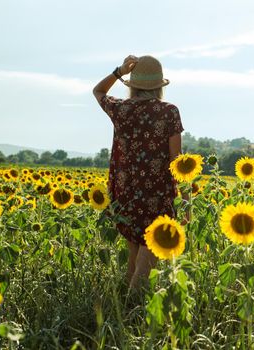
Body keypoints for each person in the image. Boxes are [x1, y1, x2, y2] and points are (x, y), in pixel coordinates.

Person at [93, 55, 184, 289]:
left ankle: (122, 312)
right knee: (144, 270)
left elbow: (98, 91)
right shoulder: (169, 111)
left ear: (133, 85)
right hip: (157, 196)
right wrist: (182, 200)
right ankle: (131, 316)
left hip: (125, 194)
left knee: (133, 263)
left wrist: (119, 72)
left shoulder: (121, 109)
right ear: (159, 86)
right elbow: (177, 162)